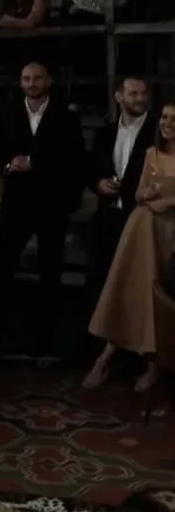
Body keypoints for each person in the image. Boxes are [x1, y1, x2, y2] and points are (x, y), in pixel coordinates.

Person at [85, 98, 175, 393]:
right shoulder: (152, 153)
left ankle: (154, 365)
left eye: (173, 119)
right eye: (164, 118)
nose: (167, 124)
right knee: (129, 288)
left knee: (157, 294)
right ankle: (105, 357)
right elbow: (136, 194)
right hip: (141, 228)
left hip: (169, 232)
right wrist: (145, 194)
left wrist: (167, 201)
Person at [0, 60, 86, 329]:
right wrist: (8, 166)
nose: (32, 84)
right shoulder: (8, 113)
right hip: (16, 203)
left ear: (49, 81)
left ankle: (47, 328)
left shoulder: (66, 117)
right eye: (27, 79)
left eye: (38, 78)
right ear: (21, 82)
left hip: (51, 204)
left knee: (50, 269)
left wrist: (35, 164)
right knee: (1, 263)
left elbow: (75, 161)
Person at [86, 77, 155, 309]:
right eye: (133, 94)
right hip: (108, 216)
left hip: (141, 218)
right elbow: (91, 169)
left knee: (137, 283)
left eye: (143, 93)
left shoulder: (158, 132)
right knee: (99, 279)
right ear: (119, 97)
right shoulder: (104, 133)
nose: (140, 99)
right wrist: (98, 184)